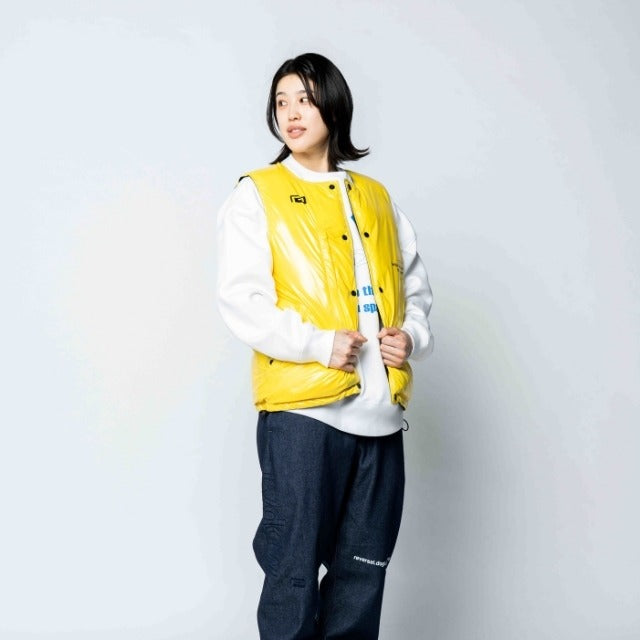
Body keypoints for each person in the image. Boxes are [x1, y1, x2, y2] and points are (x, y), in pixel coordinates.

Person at [217, 52, 433, 640]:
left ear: (333, 106)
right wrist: (316, 345)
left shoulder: (379, 198)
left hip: (381, 419)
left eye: (305, 100)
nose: (291, 113)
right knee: (292, 577)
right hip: (303, 417)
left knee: (362, 580)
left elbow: (416, 290)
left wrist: (411, 337)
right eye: (281, 102)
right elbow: (241, 300)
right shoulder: (257, 194)